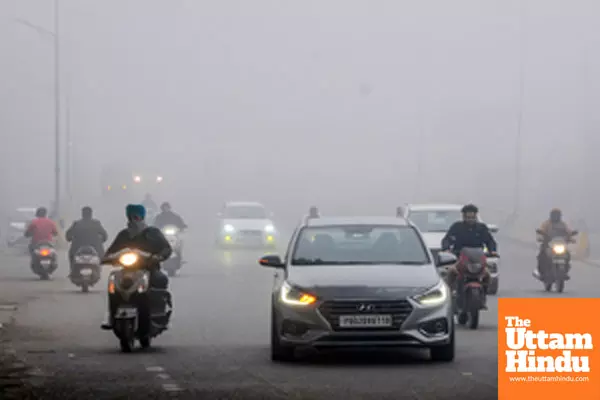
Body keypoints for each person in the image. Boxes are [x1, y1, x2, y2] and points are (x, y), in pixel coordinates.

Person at [101, 204, 173, 330]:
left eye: (136, 216)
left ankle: (158, 315)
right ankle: (111, 316)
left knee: (160, 279)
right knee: (113, 282)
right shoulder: (123, 235)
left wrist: (158, 256)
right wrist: (107, 258)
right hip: (127, 271)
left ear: (142, 217)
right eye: (131, 216)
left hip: (149, 268)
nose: (134, 219)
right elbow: (111, 251)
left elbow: (166, 248)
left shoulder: (152, 233)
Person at [441, 204, 498, 308]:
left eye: (472, 217)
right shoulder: (457, 227)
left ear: (476, 216)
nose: (470, 219)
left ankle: (483, 296)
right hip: (460, 259)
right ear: (463, 216)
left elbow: (490, 241)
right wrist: (446, 248)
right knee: (450, 272)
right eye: (468, 217)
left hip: (478, 260)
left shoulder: (482, 228)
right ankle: (448, 298)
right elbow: (447, 239)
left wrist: (493, 251)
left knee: (488, 275)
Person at [65, 207, 108, 276]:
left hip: (77, 248)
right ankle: (98, 268)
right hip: (95, 248)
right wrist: (101, 240)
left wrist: (70, 238)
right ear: (91, 214)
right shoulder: (96, 223)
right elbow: (105, 236)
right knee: (101, 254)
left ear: (82, 214)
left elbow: (68, 235)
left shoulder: (76, 224)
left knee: (71, 255)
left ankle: (72, 270)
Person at [535, 208, 574, 280]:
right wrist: (540, 237)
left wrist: (571, 238)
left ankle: (565, 271)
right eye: (554, 215)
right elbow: (541, 231)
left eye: (557, 215)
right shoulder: (546, 223)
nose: (556, 217)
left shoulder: (563, 224)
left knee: (567, 254)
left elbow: (568, 232)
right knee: (542, 255)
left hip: (559, 244)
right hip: (548, 244)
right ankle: (541, 272)